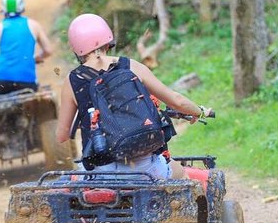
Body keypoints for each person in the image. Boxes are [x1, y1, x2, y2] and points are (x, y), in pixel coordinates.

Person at [56, 13, 212, 179]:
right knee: (182, 177)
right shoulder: (131, 66)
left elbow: (62, 136)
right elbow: (177, 101)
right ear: (108, 40)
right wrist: (200, 111)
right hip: (145, 169)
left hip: (99, 174)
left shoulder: (72, 80)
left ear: (76, 47)